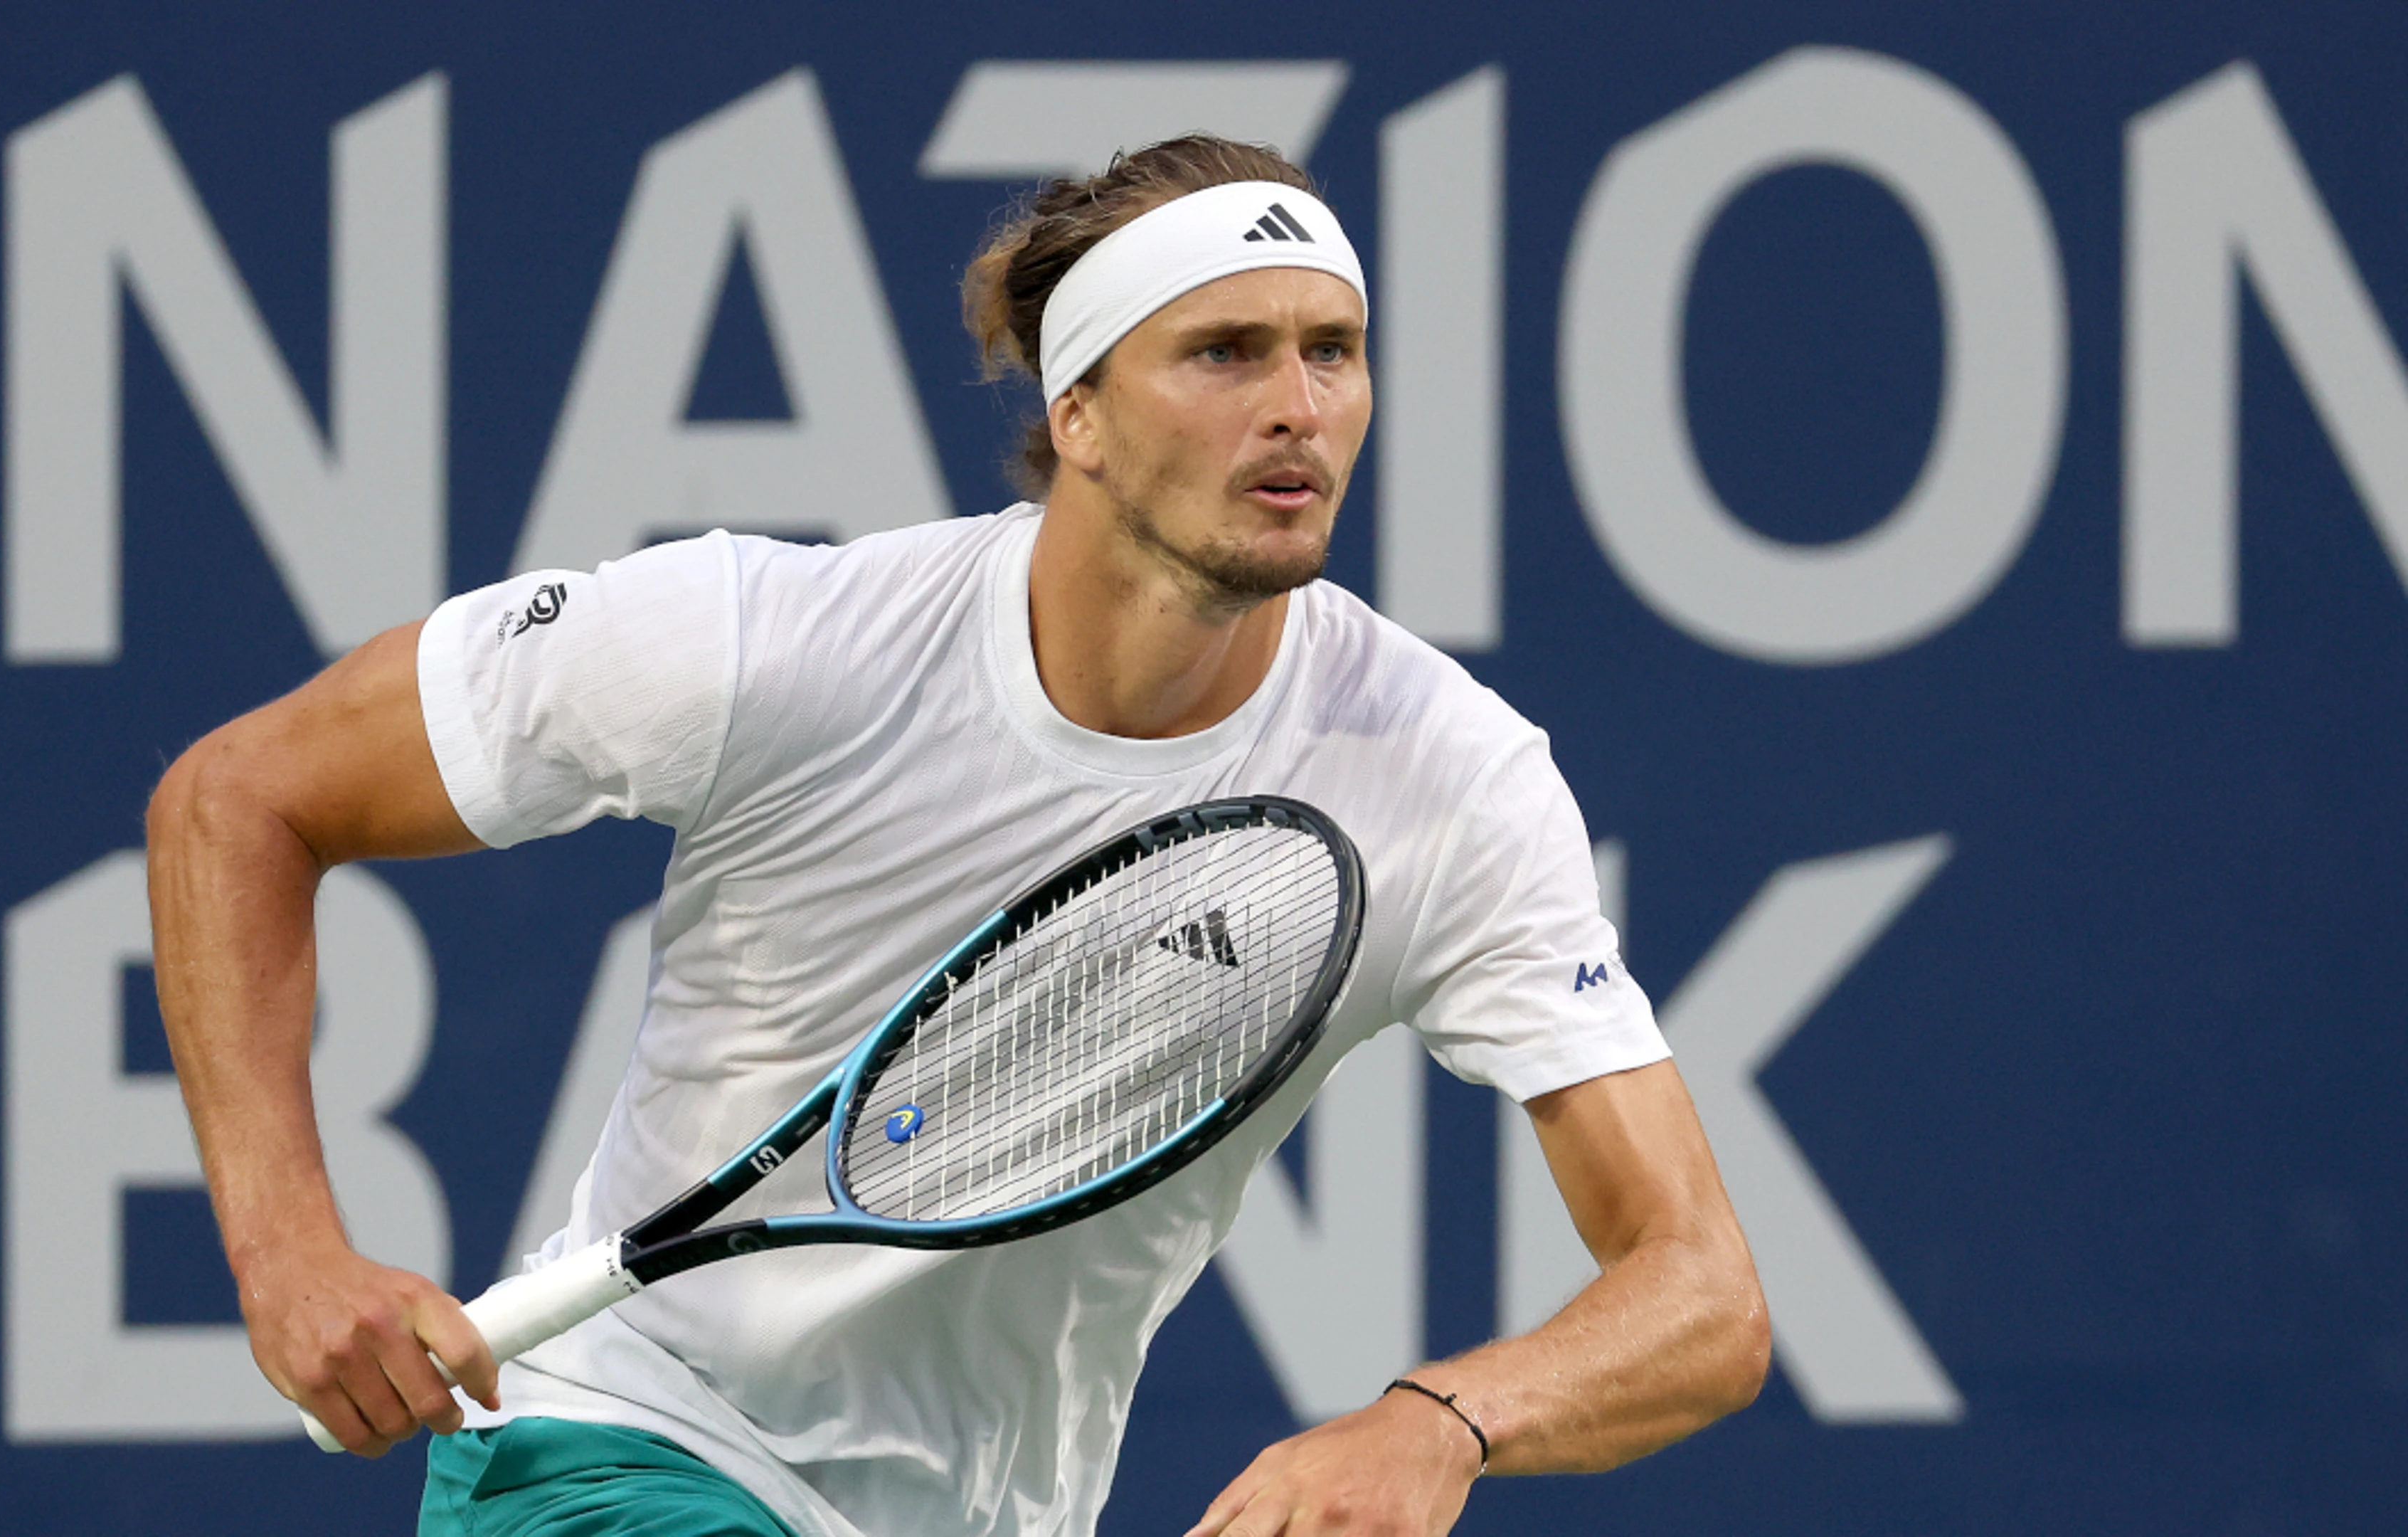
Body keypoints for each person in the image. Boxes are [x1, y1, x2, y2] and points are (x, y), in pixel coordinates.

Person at [148, 134, 1768, 1537]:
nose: (1300, 408)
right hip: (624, 1446)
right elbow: (238, 799)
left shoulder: (1448, 779)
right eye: (1225, 353)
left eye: (1332, 350)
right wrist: (288, 1248)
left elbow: (1701, 1291)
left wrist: (1441, 1421)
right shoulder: (765, 642)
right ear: (1080, 412)